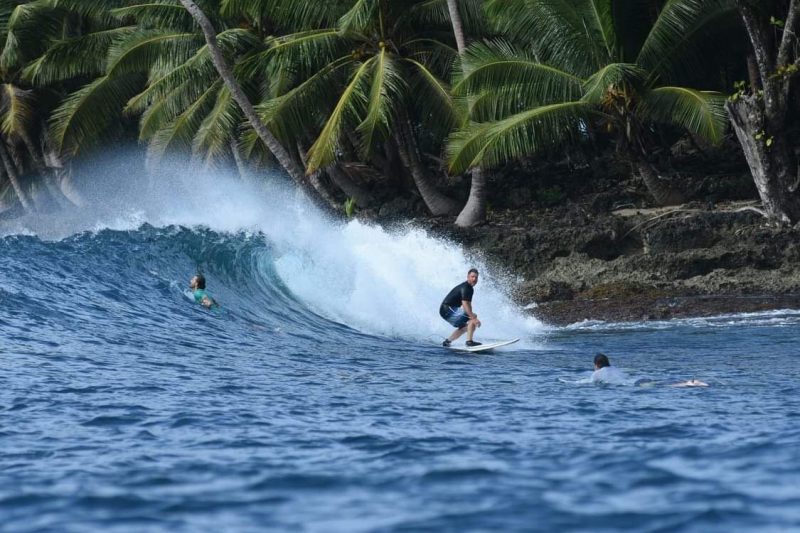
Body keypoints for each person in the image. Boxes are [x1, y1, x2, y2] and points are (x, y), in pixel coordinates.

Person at [591, 353, 708, 387]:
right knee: (662, 383)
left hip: (635, 384)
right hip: (638, 379)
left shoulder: (597, 374)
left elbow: (587, 382)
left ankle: (689, 383)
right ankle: (689, 381)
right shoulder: (614, 368)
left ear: (596, 364)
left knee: (665, 386)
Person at [440, 268, 482, 347]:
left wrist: (472, 316)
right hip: (448, 309)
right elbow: (465, 304)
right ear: (468, 277)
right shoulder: (465, 288)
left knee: (466, 327)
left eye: (476, 277)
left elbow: (468, 305)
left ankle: (447, 342)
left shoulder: (470, 289)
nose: (474, 279)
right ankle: (469, 342)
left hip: (446, 310)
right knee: (472, 317)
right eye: (472, 277)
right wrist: (473, 318)